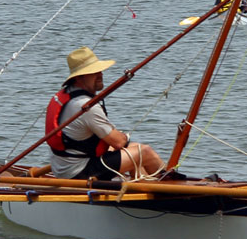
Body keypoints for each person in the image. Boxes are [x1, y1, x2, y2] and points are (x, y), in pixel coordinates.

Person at [45, 47, 164, 180]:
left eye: (99, 70)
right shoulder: (85, 106)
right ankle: (170, 186)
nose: (100, 74)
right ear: (79, 78)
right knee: (144, 152)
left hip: (63, 167)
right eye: (93, 72)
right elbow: (119, 142)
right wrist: (123, 137)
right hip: (78, 172)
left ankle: (144, 186)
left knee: (134, 149)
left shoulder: (66, 94)